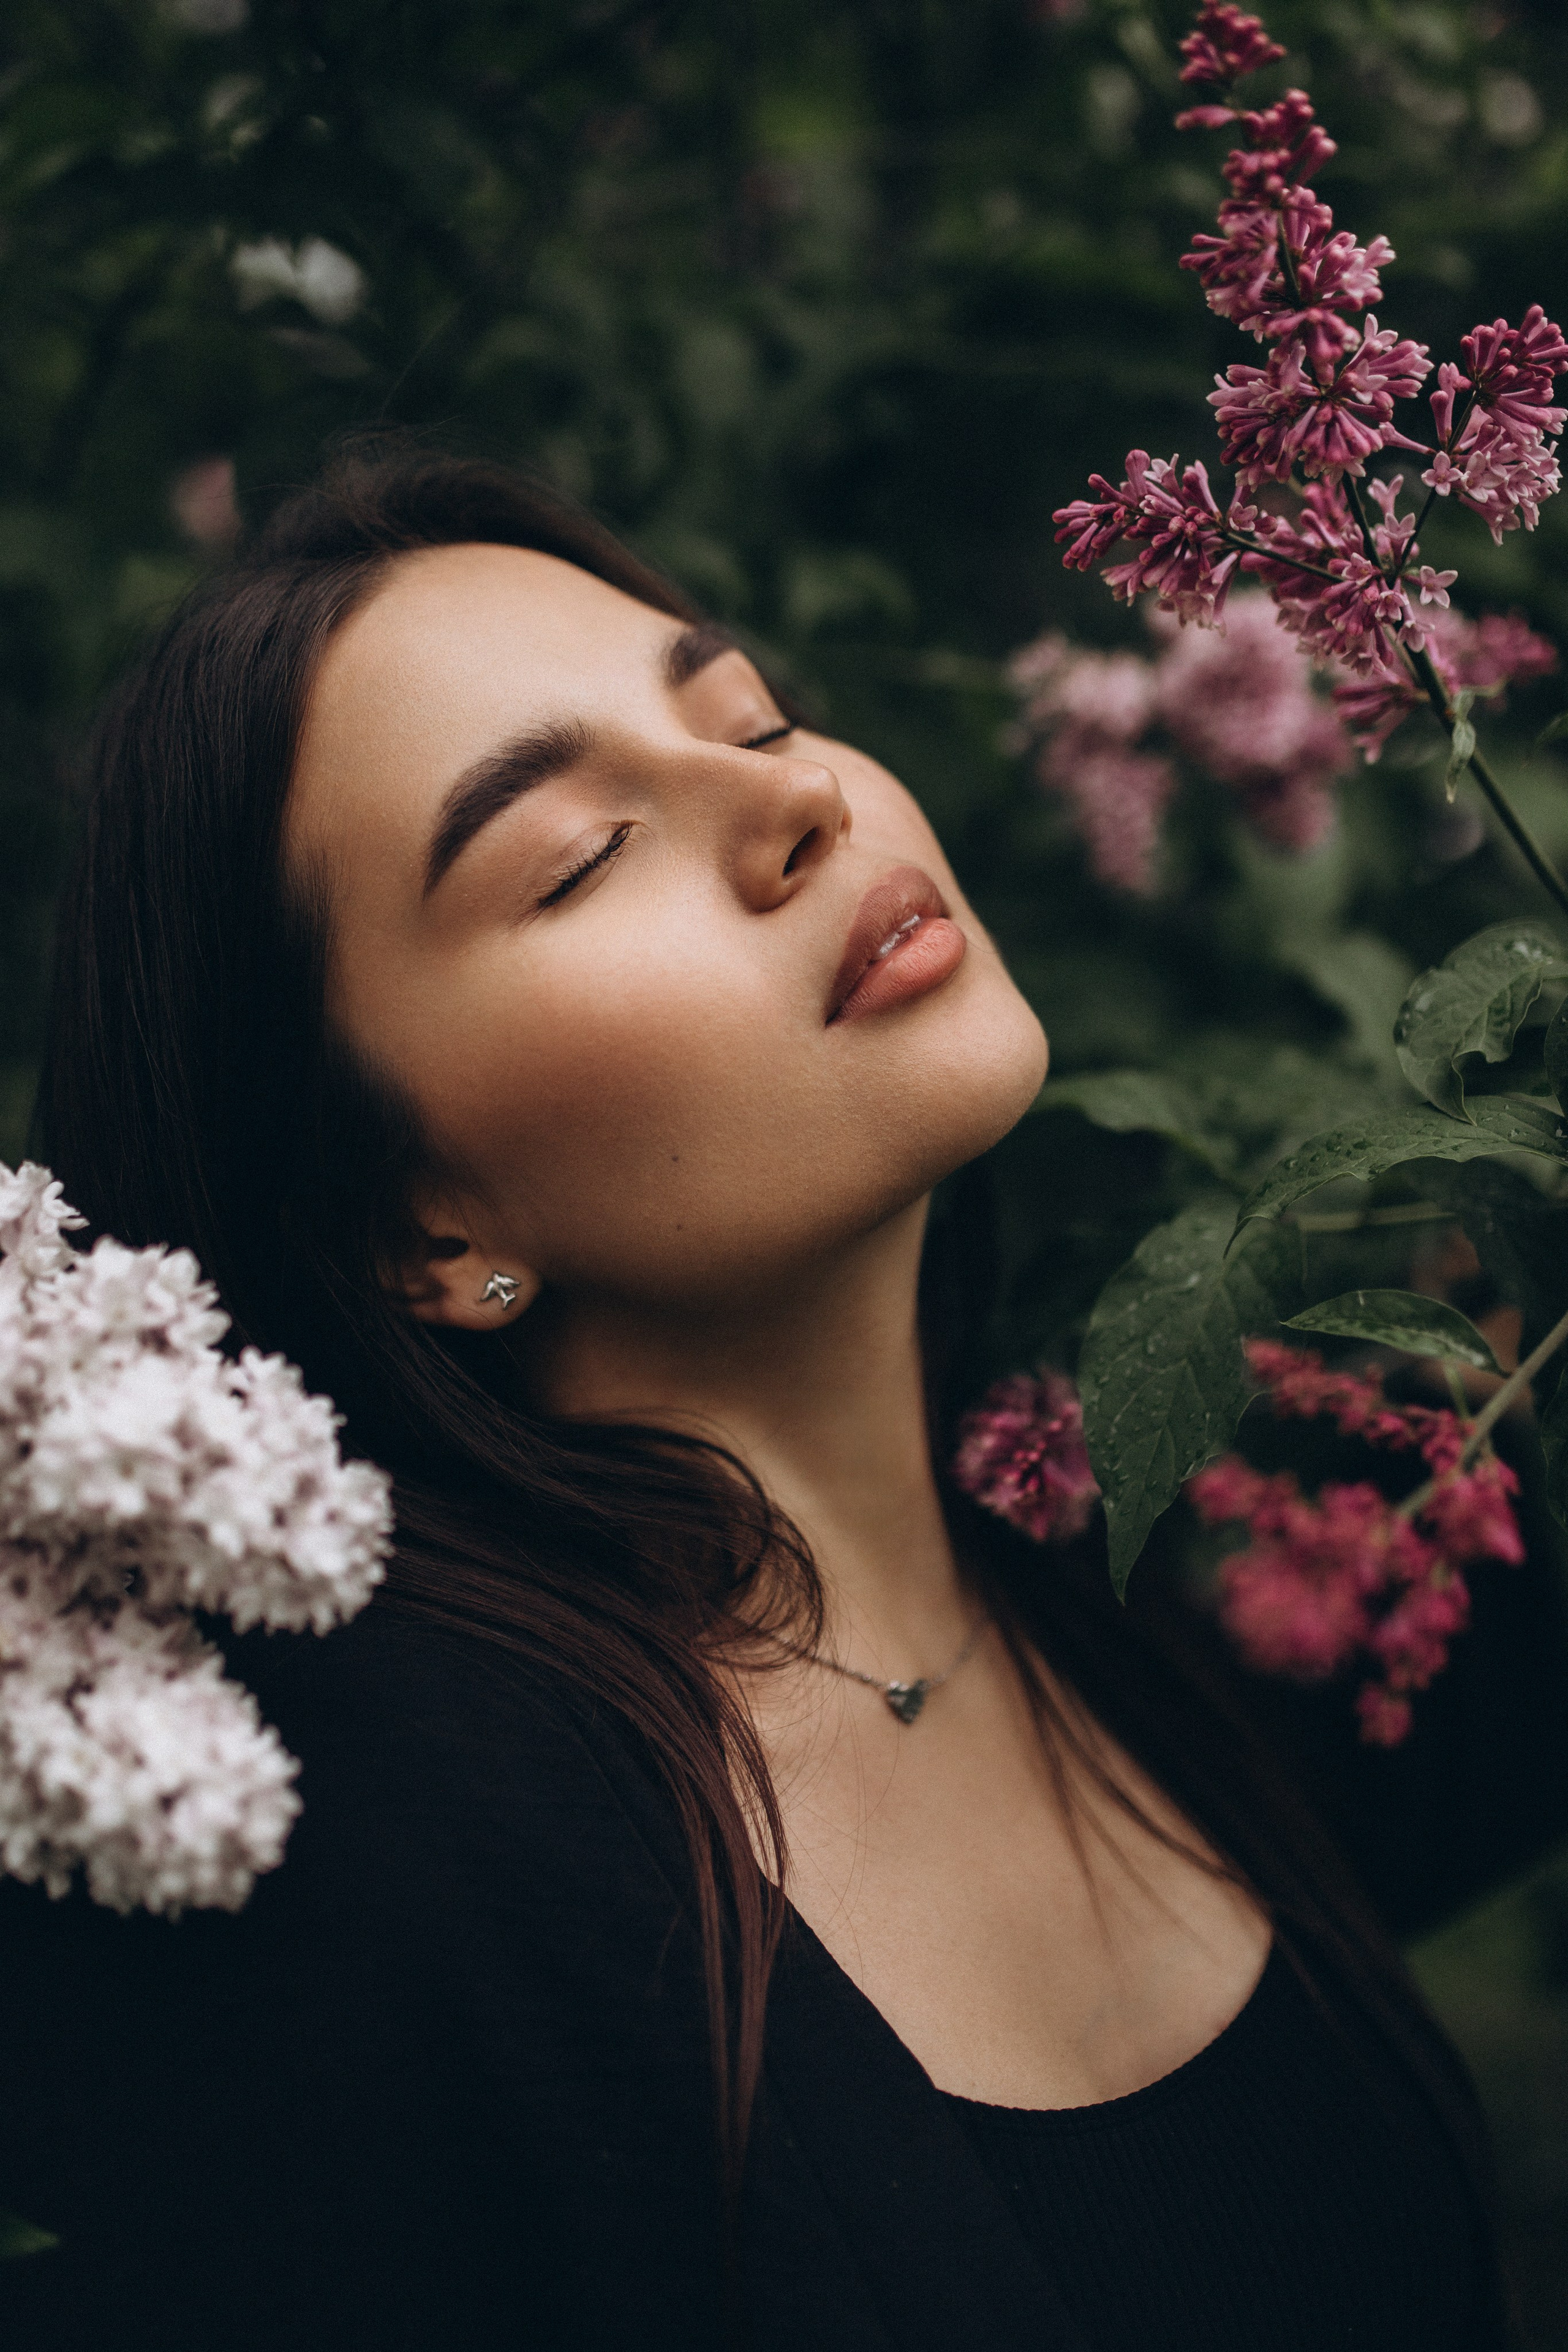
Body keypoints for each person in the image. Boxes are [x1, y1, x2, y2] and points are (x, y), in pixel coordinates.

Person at [2, 442, 1565, 2351]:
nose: (794, 802)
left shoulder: (1187, 1565)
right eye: (579, 852)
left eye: (753, 716)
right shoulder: (388, 1882)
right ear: (414, 1221)